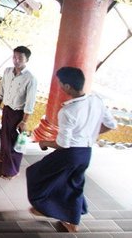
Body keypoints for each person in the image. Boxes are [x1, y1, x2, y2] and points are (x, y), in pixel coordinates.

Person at [27, 67, 117, 232]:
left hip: (70, 154)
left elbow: (63, 144)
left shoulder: (68, 111)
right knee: (74, 185)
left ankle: (44, 207)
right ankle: (72, 222)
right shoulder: (97, 100)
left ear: (67, 86)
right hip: (86, 153)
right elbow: (112, 124)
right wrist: (92, 134)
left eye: (60, 83)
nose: (59, 86)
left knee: (36, 173)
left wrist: (44, 142)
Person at [0, 46, 37, 179]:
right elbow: (1, 91)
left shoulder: (30, 78)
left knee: (14, 143)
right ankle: (2, 159)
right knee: (4, 138)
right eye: (14, 57)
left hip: (18, 114)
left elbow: (30, 103)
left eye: (20, 58)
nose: (16, 60)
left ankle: (11, 171)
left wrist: (24, 121)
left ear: (27, 60)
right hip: (7, 110)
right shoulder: (7, 72)